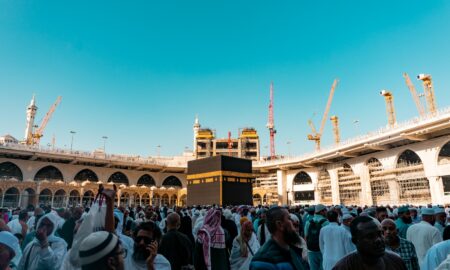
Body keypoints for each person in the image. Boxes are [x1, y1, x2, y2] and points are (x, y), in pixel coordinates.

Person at [332, 216, 407, 270]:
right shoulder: (343, 267)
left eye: (379, 234)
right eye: (370, 236)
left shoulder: (396, 262)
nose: (378, 240)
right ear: (355, 241)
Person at [304, 204, 329, 270]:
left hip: (311, 249)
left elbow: (306, 237)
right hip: (323, 250)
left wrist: (308, 247)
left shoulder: (308, 222)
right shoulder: (326, 222)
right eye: (325, 210)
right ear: (321, 212)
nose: (326, 212)